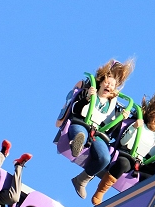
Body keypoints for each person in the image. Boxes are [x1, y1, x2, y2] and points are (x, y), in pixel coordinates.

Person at [91, 77, 155, 205]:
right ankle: (100, 191)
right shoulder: (140, 126)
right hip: (129, 155)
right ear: (151, 114)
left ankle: (143, 205)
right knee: (123, 163)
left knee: (154, 179)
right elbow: (124, 142)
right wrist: (134, 127)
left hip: (144, 164)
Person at [56, 58, 136, 199]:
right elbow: (77, 109)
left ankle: (81, 180)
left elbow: (111, 129)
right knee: (80, 133)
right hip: (81, 124)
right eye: (107, 82)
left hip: (97, 133)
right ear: (101, 82)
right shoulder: (89, 93)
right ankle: (77, 143)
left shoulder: (112, 105)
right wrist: (87, 97)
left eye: (112, 85)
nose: (109, 86)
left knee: (105, 158)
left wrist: (122, 118)